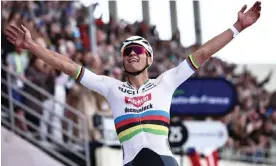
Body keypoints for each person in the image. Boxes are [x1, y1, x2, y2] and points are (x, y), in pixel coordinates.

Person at [5, 2, 261, 166]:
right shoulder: (111, 87)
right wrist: (31, 46)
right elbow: (68, 66)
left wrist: (238, 26)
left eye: (137, 49)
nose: (132, 54)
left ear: (149, 57)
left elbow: (204, 52)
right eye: (127, 52)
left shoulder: (166, 82)